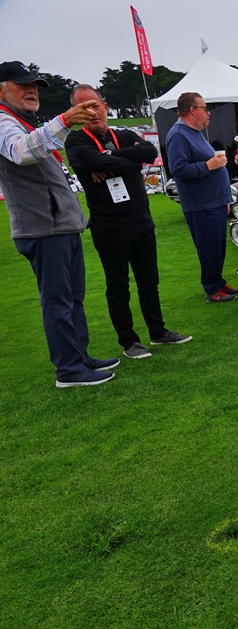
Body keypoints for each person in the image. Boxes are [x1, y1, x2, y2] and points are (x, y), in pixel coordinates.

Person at [0, 61, 119, 387]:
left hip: (60, 226)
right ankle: (69, 370)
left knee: (72, 298)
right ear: (2, 91)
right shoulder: (4, 122)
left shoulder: (23, 122)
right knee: (58, 301)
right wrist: (64, 121)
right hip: (43, 228)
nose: (32, 91)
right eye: (22, 85)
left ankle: (79, 357)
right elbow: (20, 151)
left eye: (34, 85)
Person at [65, 84, 191, 360]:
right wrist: (127, 161)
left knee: (149, 282)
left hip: (141, 221)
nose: (91, 112)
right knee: (118, 287)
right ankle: (129, 341)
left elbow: (148, 151)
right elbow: (124, 160)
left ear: (105, 107)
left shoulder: (123, 134)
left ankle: (158, 332)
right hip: (109, 227)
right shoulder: (76, 142)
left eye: (94, 105)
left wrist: (108, 159)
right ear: (74, 112)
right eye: (82, 107)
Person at [165, 92, 238, 302]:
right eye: (205, 109)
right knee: (208, 247)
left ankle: (218, 282)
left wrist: (224, 197)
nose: (208, 113)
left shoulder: (194, 132)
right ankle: (212, 288)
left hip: (214, 200)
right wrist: (208, 165)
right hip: (201, 203)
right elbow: (178, 169)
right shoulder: (178, 135)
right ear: (192, 110)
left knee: (217, 247)